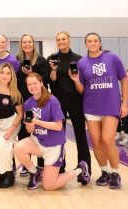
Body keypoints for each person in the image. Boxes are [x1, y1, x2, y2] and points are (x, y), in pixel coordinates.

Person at [70, 32, 128, 189]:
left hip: (110, 106)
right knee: (96, 142)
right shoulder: (82, 63)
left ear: (100, 43)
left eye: (95, 40)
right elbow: (81, 90)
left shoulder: (112, 58)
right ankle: (104, 172)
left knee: (108, 141)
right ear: (85, 44)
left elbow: (123, 80)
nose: (92, 43)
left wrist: (124, 104)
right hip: (91, 107)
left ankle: (115, 173)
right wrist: (76, 80)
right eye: (89, 41)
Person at [14, 73, 90, 190]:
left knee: (49, 186)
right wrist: (30, 124)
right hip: (39, 141)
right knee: (18, 147)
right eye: (29, 84)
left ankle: (80, 168)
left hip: (54, 144)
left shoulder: (52, 100)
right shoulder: (28, 103)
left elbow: (58, 126)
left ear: (41, 83)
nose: (32, 86)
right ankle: (35, 172)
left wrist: (37, 121)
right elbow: (30, 130)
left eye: (35, 83)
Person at [47, 31, 91, 177]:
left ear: (69, 40)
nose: (61, 41)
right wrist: (53, 69)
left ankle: (84, 169)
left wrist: (76, 80)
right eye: (58, 39)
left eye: (63, 39)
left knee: (80, 135)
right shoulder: (52, 59)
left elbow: (81, 86)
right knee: (59, 136)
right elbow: (51, 80)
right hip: (57, 101)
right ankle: (59, 168)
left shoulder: (80, 60)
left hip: (75, 101)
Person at [16, 33, 52, 177]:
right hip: (22, 100)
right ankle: (27, 165)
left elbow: (47, 79)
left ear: (33, 44)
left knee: (40, 131)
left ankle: (42, 165)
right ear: (21, 44)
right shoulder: (17, 60)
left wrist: (33, 73)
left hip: (39, 100)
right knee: (24, 132)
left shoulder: (41, 60)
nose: (27, 44)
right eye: (24, 42)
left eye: (29, 42)